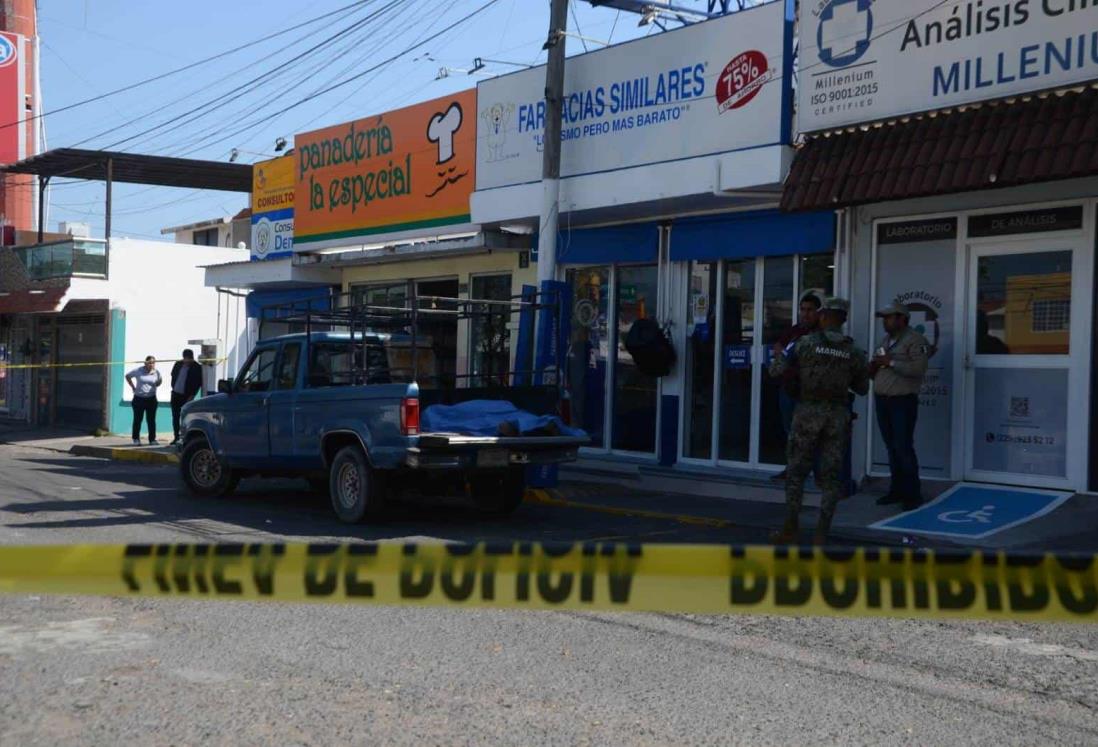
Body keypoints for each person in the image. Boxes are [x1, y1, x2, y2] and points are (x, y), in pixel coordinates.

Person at [768, 298, 869, 544]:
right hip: (837, 417)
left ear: (823, 316)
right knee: (831, 477)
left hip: (806, 414)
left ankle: (791, 527)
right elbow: (863, 388)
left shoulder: (803, 343)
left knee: (796, 473)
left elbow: (775, 371)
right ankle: (821, 533)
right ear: (843, 320)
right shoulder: (854, 351)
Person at [870, 303, 929, 510]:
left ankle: (913, 494)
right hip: (883, 400)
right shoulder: (885, 340)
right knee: (891, 448)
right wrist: (875, 366)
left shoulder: (916, 340)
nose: (885, 321)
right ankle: (896, 490)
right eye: (884, 318)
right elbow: (879, 362)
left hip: (902, 402)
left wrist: (891, 363)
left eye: (888, 317)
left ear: (902, 318)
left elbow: (918, 368)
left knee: (903, 447)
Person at [769, 291, 822, 481]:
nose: (805, 314)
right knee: (790, 431)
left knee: (811, 434)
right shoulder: (794, 331)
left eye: (810, 310)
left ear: (818, 312)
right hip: (789, 388)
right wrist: (784, 354)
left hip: (809, 392)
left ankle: (816, 472)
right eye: (802, 309)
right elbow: (778, 348)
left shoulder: (821, 334)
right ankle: (792, 469)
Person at [170, 349, 203, 445]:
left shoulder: (196, 367)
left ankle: (184, 437)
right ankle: (176, 437)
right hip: (176, 394)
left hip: (187, 396)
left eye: (190, 359)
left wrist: (192, 395)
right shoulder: (178, 364)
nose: (188, 361)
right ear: (184, 358)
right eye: (186, 359)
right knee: (175, 416)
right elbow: (173, 376)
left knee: (185, 417)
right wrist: (173, 387)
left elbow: (198, 382)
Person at [125, 356, 162, 445]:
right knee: (138, 419)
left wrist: (158, 382)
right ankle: (136, 439)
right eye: (149, 363)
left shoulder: (156, 372)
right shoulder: (138, 370)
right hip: (139, 399)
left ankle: (152, 439)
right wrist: (133, 387)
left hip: (151, 399)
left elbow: (159, 382)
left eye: (153, 363)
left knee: (151, 420)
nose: (151, 364)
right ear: (145, 363)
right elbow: (128, 376)